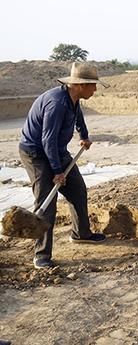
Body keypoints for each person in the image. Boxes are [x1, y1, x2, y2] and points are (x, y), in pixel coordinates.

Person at [19, 62, 109, 269]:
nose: (95, 89)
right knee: (46, 202)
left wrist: (84, 136)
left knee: (77, 190)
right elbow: (46, 140)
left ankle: (81, 234)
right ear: (79, 84)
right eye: (92, 85)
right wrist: (57, 171)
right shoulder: (57, 104)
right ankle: (41, 255)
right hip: (36, 154)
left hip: (56, 151)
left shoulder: (73, 99)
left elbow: (78, 116)